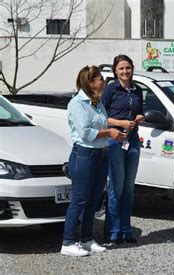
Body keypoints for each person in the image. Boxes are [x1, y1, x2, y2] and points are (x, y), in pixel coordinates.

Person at [61, 65, 127, 257]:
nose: (103, 81)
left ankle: (87, 239)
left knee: (94, 199)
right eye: (99, 78)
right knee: (79, 199)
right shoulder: (77, 103)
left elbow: (103, 124)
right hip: (84, 154)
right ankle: (68, 242)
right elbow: (86, 133)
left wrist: (115, 135)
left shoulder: (97, 103)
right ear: (89, 83)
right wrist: (109, 132)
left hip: (101, 154)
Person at [101, 55, 144, 245]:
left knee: (128, 187)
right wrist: (120, 122)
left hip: (132, 140)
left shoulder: (138, 90)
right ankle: (113, 230)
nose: (125, 72)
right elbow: (101, 117)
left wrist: (139, 117)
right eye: (121, 69)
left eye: (127, 68)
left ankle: (126, 230)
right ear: (115, 71)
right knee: (116, 187)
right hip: (115, 140)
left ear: (132, 69)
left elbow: (140, 110)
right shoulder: (110, 90)